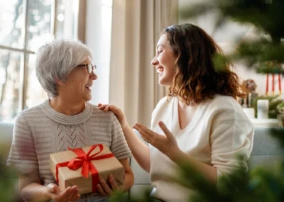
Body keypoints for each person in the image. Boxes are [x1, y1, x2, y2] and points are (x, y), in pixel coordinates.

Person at [99, 23, 254, 201]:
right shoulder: (165, 106)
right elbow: (155, 164)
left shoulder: (225, 110)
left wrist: (174, 153)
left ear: (184, 55)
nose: (153, 61)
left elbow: (229, 185)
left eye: (160, 51)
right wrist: (124, 126)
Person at [7, 39, 134, 202]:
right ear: (60, 76)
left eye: (93, 68)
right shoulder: (27, 122)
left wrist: (117, 188)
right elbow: (26, 188)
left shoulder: (107, 118)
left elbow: (128, 175)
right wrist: (49, 193)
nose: (94, 75)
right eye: (86, 67)